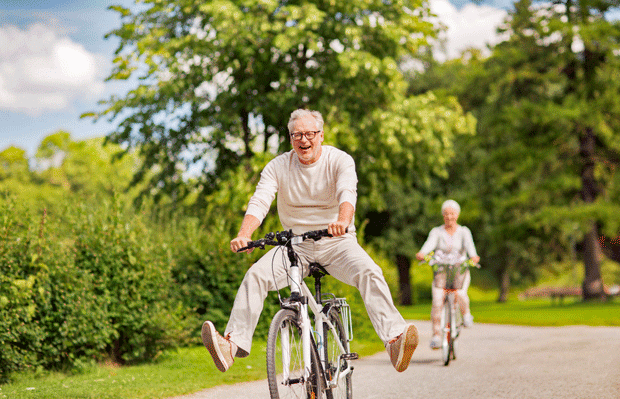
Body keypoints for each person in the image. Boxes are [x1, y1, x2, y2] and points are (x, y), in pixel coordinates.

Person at [201, 108, 419, 373]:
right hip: (295, 246)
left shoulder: (339, 160)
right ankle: (231, 346)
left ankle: (395, 341)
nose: (303, 140)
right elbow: (260, 200)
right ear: (290, 139)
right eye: (297, 135)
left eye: (309, 134)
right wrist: (244, 234)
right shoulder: (278, 166)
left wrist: (343, 220)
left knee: (370, 272)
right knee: (255, 276)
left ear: (321, 135)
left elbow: (347, 193)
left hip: (336, 242)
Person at [415, 199, 480, 350]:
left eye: (452, 214)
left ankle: (466, 314)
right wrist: (422, 253)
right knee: (437, 301)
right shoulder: (437, 232)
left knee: (461, 294)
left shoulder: (464, 231)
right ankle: (436, 335)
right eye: (446, 214)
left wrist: (474, 257)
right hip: (442, 271)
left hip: (459, 271)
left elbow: (471, 249)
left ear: (457, 215)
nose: (449, 217)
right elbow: (428, 245)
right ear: (443, 215)